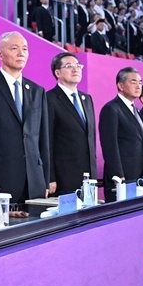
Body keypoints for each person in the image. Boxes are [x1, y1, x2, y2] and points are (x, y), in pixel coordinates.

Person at [0, 31, 51, 205]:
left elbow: (43, 139)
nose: (21, 53)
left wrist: (45, 178)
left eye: (25, 49)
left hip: (34, 182)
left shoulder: (37, 91)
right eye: (14, 48)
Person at [45, 53, 96, 195]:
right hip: (64, 177)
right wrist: (50, 177)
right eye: (69, 66)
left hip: (88, 176)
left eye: (78, 66)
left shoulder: (87, 99)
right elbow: (47, 141)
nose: (75, 69)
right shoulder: (49, 99)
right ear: (57, 73)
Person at [98, 67, 143, 202]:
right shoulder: (111, 108)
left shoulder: (136, 110)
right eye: (133, 82)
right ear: (120, 85)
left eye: (140, 82)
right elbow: (109, 145)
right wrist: (118, 174)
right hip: (122, 177)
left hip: (139, 174)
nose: (138, 86)